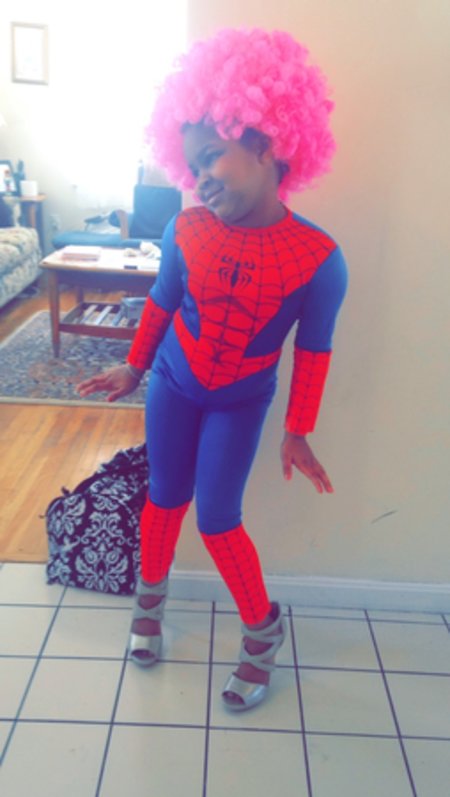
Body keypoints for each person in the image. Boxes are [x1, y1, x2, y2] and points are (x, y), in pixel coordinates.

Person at [77, 27, 348, 712]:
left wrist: (298, 428)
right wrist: (133, 368)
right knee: (165, 497)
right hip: (172, 383)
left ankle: (263, 631)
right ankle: (149, 603)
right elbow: (164, 300)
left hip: (240, 399)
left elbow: (313, 349)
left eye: (212, 157)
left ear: (265, 144)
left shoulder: (319, 258)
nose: (198, 178)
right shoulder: (186, 228)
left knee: (219, 519)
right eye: (190, 163)